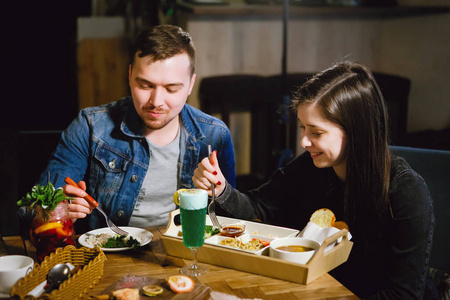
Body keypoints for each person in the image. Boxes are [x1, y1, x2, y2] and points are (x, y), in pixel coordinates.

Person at [193, 61, 438, 299]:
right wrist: (221, 188)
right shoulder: (310, 167)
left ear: (356, 131)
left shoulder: (405, 191)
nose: (304, 142)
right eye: (302, 127)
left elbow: (403, 293)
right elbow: (257, 207)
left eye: (316, 132)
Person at [37, 25, 236, 231]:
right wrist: (56, 210)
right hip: (108, 256)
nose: (156, 101)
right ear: (130, 75)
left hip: (186, 254)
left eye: (171, 88)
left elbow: (227, 221)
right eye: (145, 85)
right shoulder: (89, 126)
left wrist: (222, 194)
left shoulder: (215, 135)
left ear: (190, 84)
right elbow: (32, 209)